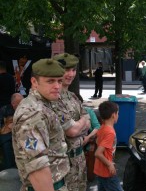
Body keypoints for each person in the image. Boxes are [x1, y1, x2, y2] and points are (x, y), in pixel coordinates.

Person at [12, 59, 70, 191]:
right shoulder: (31, 114)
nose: (57, 86)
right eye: (50, 81)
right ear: (34, 82)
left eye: (59, 81)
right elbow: (38, 167)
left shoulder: (45, 103)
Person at [52, 53, 91, 191]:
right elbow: (72, 131)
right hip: (64, 165)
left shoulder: (73, 96)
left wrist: (79, 123)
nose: (71, 74)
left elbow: (89, 121)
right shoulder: (53, 99)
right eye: (66, 70)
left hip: (79, 160)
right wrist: (81, 123)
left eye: (73, 70)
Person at [94, 101, 123, 191]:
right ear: (113, 115)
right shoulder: (110, 132)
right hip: (107, 171)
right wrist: (109, 164)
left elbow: (97, 141)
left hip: (100, 169)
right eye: (118, 113)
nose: (118, 115)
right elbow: (98, 153)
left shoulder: (102, 127)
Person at [0, 93, 23, 170]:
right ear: (13, 103)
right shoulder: (4, 110)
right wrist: (6, 126)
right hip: (7, 136)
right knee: (6, 145)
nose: (21, 105)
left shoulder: (25, 109)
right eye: (19, 103)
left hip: (21, 135)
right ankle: (9, 168)